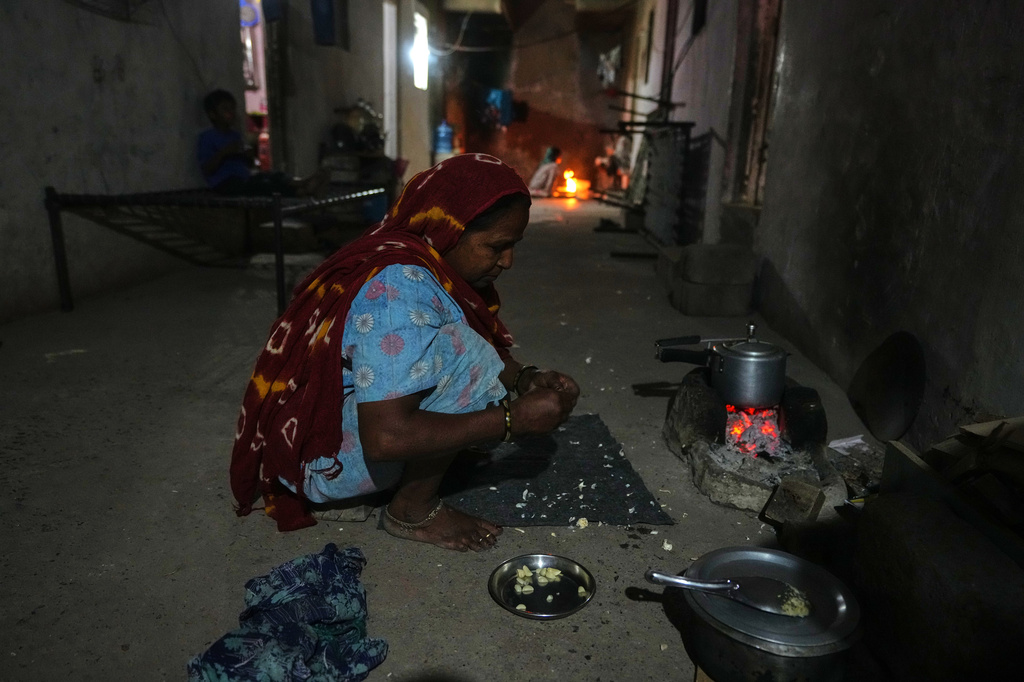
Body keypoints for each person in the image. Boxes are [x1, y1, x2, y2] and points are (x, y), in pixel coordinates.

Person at [230, 153, 581, 551]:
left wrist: (524, 378)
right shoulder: (399, 291)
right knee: (460, 354)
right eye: (496, 246)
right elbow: (385, 439)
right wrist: (510, 420)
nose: (508, 261)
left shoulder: (423, 256)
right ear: (449, 231)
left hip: (332, 429)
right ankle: (412, 511)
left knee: (458, 346)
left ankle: (413, 475)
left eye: (513, 245)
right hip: (322, 461)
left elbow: (476, 344)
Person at [198, 89, 327, 196]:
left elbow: (247, 164)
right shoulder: (207, 137)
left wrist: (248, 156)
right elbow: (207, 169)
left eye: (232, 108)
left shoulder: (235, 135)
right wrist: (224, 152)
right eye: (225, 109)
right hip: (225, 184)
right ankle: (301, 192)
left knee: (272, 176)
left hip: (245, 178)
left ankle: (302, 182)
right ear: (213, 115)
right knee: (262, 186)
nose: (231, 113)